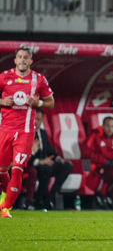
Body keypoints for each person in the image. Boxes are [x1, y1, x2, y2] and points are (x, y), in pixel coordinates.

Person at [0, 46, 54, 218]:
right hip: (6, 129)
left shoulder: (38, 79)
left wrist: (36, 103)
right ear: (15, 60)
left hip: (25, 132)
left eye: (26, 57)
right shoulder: (4, 76)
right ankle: (4, 194)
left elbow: (51, 102)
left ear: (31, 61)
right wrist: (2, 101)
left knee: (17, 169)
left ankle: (5, 208)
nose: (22, 60)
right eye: (20, 57)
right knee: (2, 170)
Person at [26, 108, 73, 210]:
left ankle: (50, 196)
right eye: (34, 119)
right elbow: (21, 156)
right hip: (31, 164)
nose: (36, 122)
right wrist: (40, 161)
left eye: (38, 119)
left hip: (44, 164)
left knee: (67, 166)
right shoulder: (25, 133)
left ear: (42, 120)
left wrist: (58, 158)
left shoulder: (42, 133)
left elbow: (49, 149)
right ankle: (38, 200)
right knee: (47, 168)